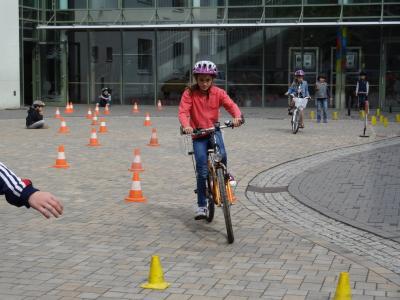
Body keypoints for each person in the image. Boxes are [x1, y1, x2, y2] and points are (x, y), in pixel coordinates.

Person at [178, 60, 243, 220]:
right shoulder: (189, 93)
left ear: (212, 79)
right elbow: (183, 112)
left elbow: (230, 105)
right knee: (201, 169)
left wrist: (237, 117)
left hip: (214, 131)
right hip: (199, 134)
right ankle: (201, 206)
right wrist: (187, 126)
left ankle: (225, 177)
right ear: (196, 79)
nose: (204, 83)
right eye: (201, 80)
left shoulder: (218, 93)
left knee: (223, 154)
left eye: (208, 80)